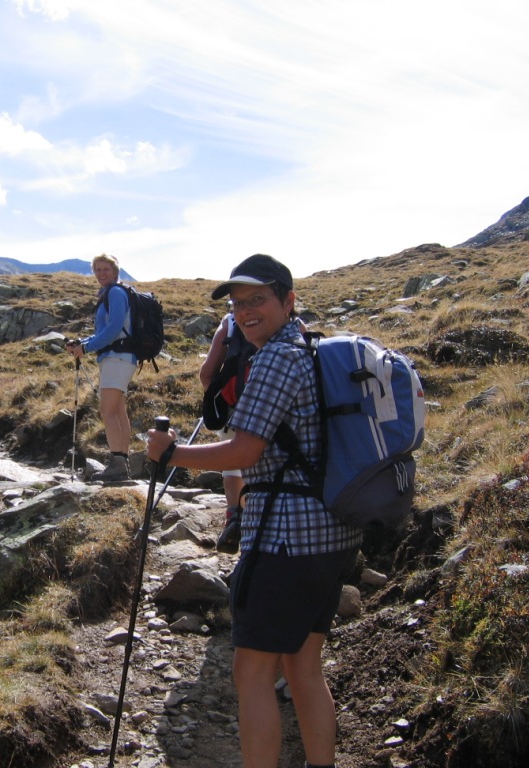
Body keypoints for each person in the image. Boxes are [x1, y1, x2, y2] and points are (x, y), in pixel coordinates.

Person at [147, 254, 363, 768]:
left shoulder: (274, 359)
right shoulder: (309, 349)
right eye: (237, 304)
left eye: (257, 299)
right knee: (304, 667)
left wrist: (171, 454)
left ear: (288, 301)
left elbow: (244, 451)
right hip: (331, 536)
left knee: (251, 673)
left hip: (285, 539)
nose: (245, 312)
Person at [67, 253, 137, 482]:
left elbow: (114, 328)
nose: (101, 273)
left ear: (115, 271)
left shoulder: (115, 293)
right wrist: (82, 343)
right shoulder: (113, 292)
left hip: (117, 358)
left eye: (106, 269)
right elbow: (104, 331)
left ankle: (117, 465)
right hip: (121, 357)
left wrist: (87, 347)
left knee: (108, 411)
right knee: (118, 411)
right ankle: (121, 463)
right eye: (97, 269)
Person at [199, 312, 255, 553]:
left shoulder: (231, 322)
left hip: (235, 406)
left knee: (232, 466)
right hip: (281, 412)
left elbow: (206, 373)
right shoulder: (292, 323)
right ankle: (258, 523)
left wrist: (220, 400)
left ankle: (235, 517)